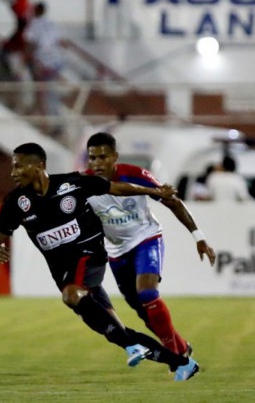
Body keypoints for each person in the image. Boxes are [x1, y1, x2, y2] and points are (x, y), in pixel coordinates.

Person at [0, 142, 200, 381]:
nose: (13, 173)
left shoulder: (71, 184)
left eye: (18, 167)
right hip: (64, 272)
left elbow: (115, 188)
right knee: (115, 331)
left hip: (89, 256)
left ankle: (132, 346)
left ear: (38, 165)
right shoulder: (15, 202)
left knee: (71, 295)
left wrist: (154, 192)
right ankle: (182, 363)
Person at [84, 132, 216, 356]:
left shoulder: (135, 174)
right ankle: (182, 347)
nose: (97, 163)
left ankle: (175, 355)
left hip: (146, 239)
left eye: (103, 157)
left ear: (115, 156)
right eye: (93, 158)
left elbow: (171, 201)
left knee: (147, 293)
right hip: (116, 251)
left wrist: (199, 236)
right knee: (143, 312)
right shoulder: (84, 183)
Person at [24, 1, 65, 135]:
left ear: (36, 11)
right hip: (56, 62)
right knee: (50, 94)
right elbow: (58, 42)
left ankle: (47, 125)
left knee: (43, 94)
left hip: (43, 64)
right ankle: (54, 123)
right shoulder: (52, 24)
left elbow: (31, 44)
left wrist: (26, 58)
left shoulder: (34, 25)